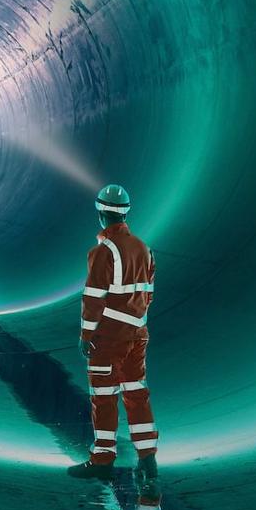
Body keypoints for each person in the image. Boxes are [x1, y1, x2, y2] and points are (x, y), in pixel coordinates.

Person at [67, 184, 157, 486]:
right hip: (137, 336)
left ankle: (102, 460)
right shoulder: (145, 249)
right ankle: (148, 459)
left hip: (107, 339)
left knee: (104, 397)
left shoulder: (103, 252)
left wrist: (86, 333)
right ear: (126, 213)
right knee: (136, 395)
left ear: (101, 213)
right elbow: (148, 295)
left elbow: (93, 297)